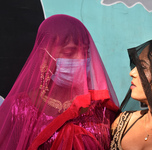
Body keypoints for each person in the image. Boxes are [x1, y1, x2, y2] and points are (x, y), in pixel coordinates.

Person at [0, 14, 119, 150]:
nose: (81, 59)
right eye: (69, 52)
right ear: (44, 55)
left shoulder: (102, 110)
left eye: (85, 52)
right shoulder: (18, 109)